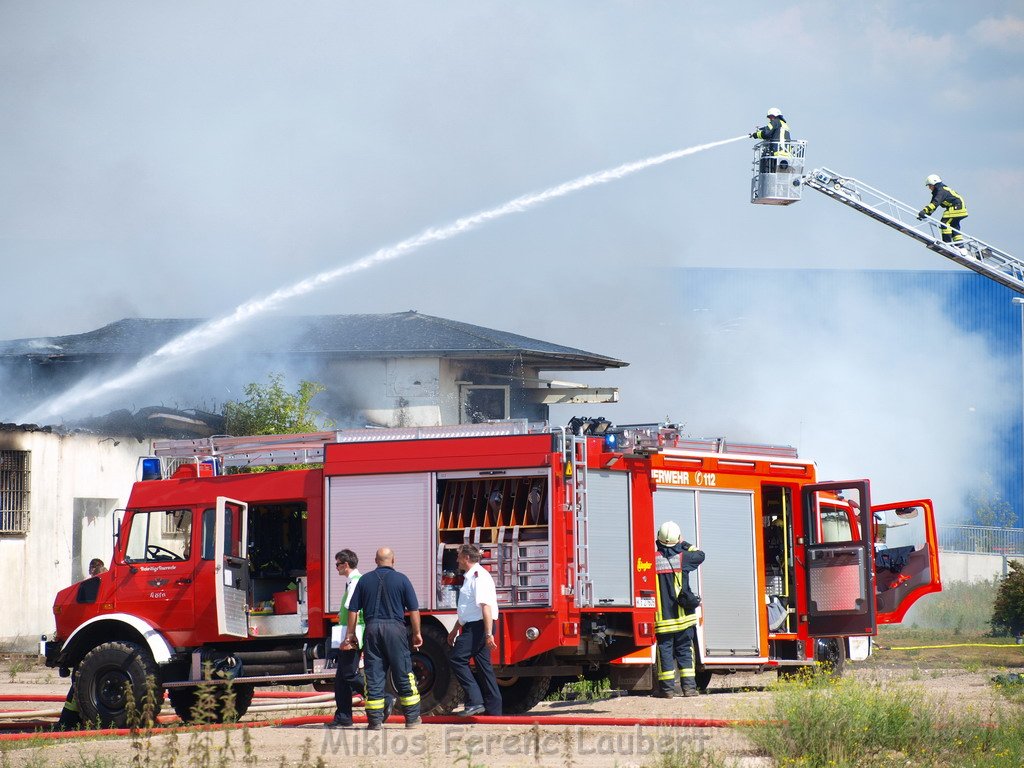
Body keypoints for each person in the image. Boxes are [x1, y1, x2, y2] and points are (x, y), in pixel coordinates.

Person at [342, 547, 422, 729]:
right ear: (393, 560)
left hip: (372, 630)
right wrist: (417, 633)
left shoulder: (364, 580)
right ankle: (411, 719)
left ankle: (375, 721)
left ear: (375, 560)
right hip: (396, 629)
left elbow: (353, 610)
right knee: (403, 672)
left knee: (374, 675)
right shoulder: (402, 579)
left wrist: (351, 635)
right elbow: (414, 610)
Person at [447, 543, 502, 717]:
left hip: (479, 626)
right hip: (474, 624)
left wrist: (488, 634)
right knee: (484, 668)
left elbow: (486, 607)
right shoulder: (471, 577)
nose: (457, 560)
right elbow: (467, 609)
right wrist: (455, 629)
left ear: (466, 558)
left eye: (459, 556)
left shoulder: (479, 577)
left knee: (457, 658)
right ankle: (494, 711)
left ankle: (475, 701)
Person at [653, 521, 705, 698]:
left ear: (658, 538)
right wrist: (684, 544)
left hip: (662, 619)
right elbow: (700, 554)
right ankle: (689, 689)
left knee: (665, 652)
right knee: (685, 650)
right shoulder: (684, 557)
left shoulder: (652, 559)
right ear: (677, 539)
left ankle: (666, 690)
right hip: (684, 617)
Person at [326, 549, 366, 729]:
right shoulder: (354, 581)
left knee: (349, 674)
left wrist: (349, 638)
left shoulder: (355, 583)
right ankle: (343, 716)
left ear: (346, 565)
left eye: (337, 565)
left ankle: (381, 696)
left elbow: (353, 611)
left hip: (353, 634)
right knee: (341, 679)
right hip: (351, 633)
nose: (336, 568)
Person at [918, 174, 968, 247]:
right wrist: (926, 214)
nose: (929, 188)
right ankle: (960, 246)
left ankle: (947, 243)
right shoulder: (939, 190)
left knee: (944, 222)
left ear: (934, 184)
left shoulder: (941, 191)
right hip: (960, 208)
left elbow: (935, 203)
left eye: (930, 185)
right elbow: (933, 205)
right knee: (954, 226)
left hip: (956, 208)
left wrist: (924, 211)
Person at [750, 107, 791, 172]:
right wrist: (760, 130)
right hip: (786, 155)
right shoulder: (783, 125)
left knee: (769, 171)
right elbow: (772, 132)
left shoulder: (775, 122)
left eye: (771, 116)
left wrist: (756, 135)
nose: (770, 119)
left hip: (777, 153)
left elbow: (766, 133)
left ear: (776, 116)